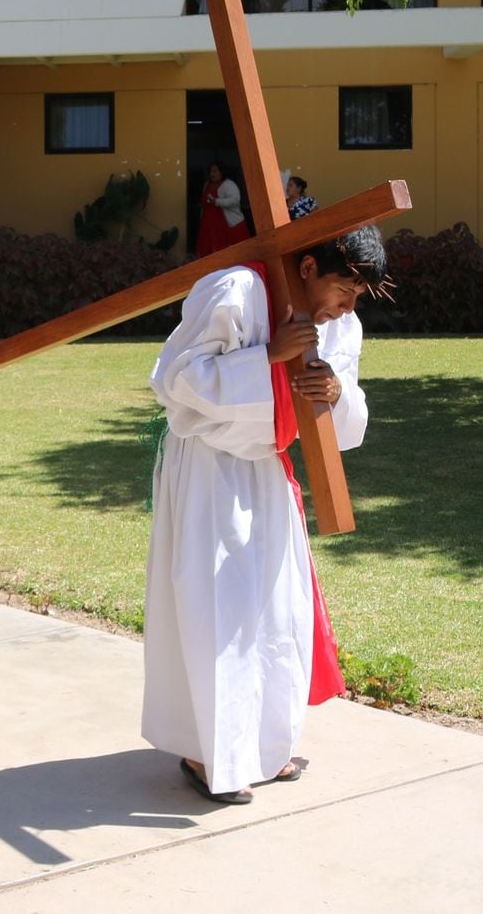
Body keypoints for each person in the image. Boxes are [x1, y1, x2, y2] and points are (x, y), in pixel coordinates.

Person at [143, 226, 387, 805]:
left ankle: (265, 747)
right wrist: (267, 356)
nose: (346, 307)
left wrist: (332, 391)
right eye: (341, 289)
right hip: (210, 468)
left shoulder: (341, 325)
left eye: (357, 296)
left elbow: (347, 413)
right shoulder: (236, 291)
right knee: (217, 607)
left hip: (267, 470)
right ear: (306, 268)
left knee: (275, 610)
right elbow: (175, 381)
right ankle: (208, 754)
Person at [194, 161, 251, 257]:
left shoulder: (229, 185)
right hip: (209, 226)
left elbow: (235, 200)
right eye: (211, 172)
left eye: (215, 171)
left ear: (222, 172)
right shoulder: (207, 184)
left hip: (227, 225)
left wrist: (216, 202)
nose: (212, 174)